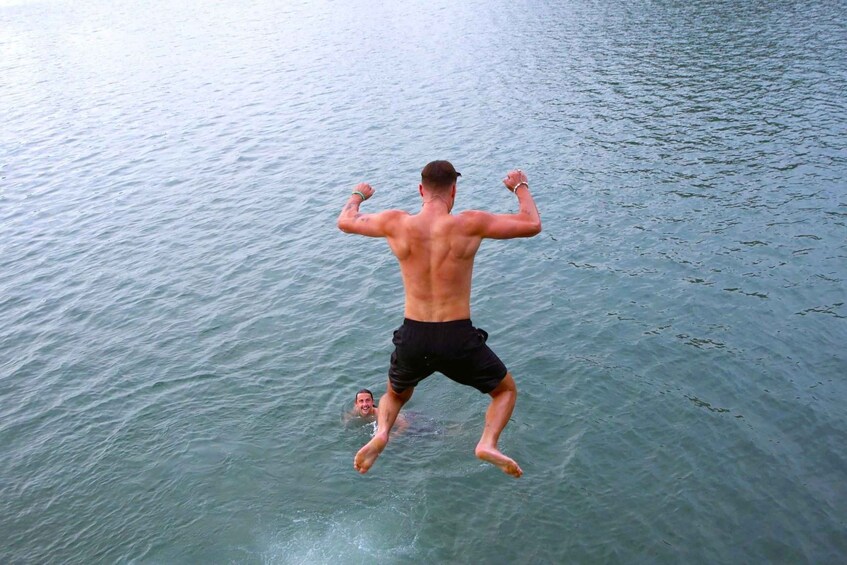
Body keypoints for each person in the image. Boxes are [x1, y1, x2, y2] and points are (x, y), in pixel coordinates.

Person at [337, 160, 542, 478]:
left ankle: (382, 434)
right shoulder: (470, 223)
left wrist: (358, 195)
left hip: (414, 334)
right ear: (454, 191)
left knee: (395, 394)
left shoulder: (396, 223)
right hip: (457, 335)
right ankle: (487, 442)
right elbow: (531, 223)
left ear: (421, 190)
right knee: (504, 392)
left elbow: (346, 221)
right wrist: (519, 186)